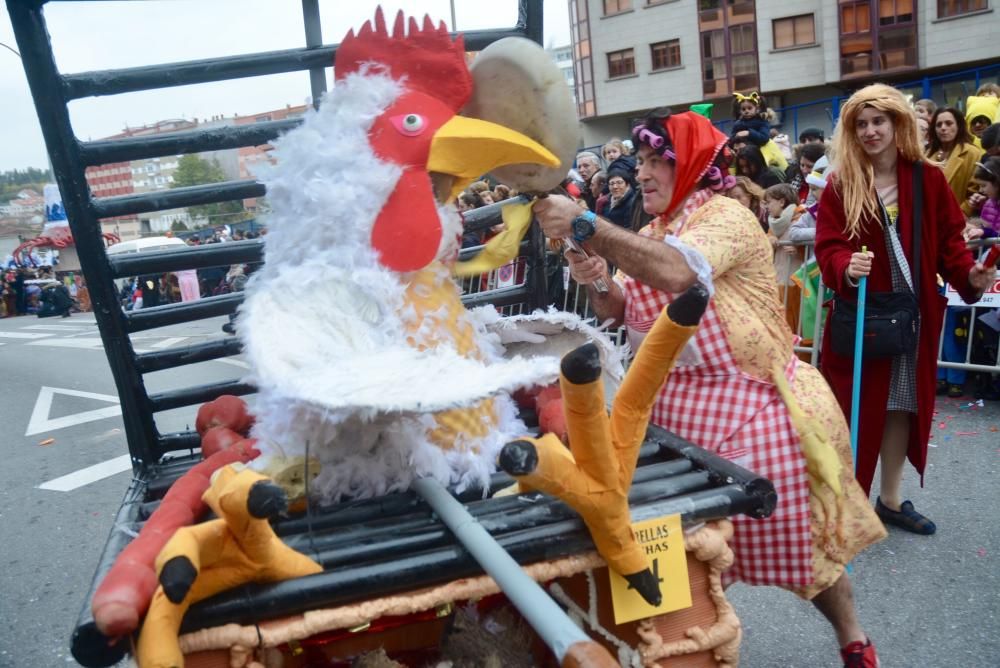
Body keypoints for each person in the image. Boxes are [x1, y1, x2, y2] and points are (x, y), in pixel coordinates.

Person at [535, 108, 887, 667]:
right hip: (679, 421)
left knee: (806, 553)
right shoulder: (653, 230)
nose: (644, 173)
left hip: (753, 413)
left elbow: (678, 274)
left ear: (693, 165)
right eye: (642, 161)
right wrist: (595, 272)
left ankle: (854, 641)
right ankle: (686, 649)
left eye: (657, 162)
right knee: (690, 557)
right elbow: (619, 307)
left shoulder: (724, 216)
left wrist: (583, 222)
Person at [815, 84, 996, 535]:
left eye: (880, 121)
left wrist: (969, 278)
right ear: (851, 132)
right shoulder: (841, 182)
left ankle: (890, 499)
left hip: (912, 317)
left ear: (898, 124)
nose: (871, 131)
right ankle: (848, 502)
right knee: (852, 408)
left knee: (901, 404)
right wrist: (844, 264)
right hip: (860, 316)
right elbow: (827, 245)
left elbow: (950, 243)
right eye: (862, 123)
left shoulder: (928, 178)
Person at [926, 106, 985, 216]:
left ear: (959, 126)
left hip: (958, 222)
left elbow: (975, 191)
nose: (943, 128)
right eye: (938, 125)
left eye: (949, 123)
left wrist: (960, 216)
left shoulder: (972, 153)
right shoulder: (927, 155)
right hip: (930, 220)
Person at [765, 183, 807, 333]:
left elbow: (812, 250)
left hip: (797, 283)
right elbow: (767, 241)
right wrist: (769, 240)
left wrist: (799, 250)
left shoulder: (802, 219)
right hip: (779, 281)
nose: (766, 206)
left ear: (782, 202)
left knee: (796, 327)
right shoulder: (774, 224)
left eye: (769, 202)